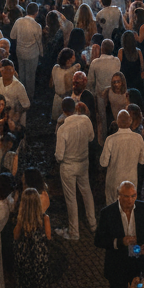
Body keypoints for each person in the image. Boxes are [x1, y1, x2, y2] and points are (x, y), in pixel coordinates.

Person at [54, 96, 97, 241]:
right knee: (87, 192)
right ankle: (93, 223)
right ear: (75, 107)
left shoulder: (63, 128)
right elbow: (91, 138)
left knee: (71, 198)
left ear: (63, 110)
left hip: (68, 166)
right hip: (83, 163)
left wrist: (57, 157)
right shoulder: (86, 121)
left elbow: (59, 155)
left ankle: (74, 232)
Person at [100, 109, 144, 206]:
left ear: (117, 122)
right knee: (129, 208)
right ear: (130, 121)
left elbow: (103, 163)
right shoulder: (138, 138)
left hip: (114, 179)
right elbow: (143, 161)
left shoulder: (111, 139)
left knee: (113, 207)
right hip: (131, 180)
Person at [14, 186, 52, 288]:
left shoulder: (22, 220)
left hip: (24, 258)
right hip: (39, 258)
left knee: (25, 287)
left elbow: (15, 236)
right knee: (40, 287)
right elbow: (48, 237)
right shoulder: (44, 218)